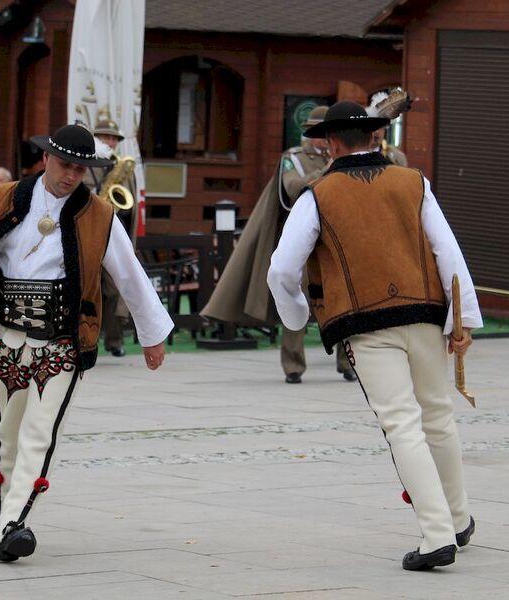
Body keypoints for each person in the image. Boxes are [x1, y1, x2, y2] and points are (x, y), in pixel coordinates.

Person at [0, 124, 173, 562]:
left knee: (38, 432)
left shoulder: (100, 215)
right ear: (47, 159)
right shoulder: (3, 197)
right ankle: (0, 520)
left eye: (81, 169)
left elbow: (129, 273)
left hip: (63, 340)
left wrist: (152, 334)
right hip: (6, 335)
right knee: (8, 432)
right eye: (66, 164)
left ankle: (15, 523)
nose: (72, 175)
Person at [267, 101, 482, 571]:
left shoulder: (317, 195)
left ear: (331, 143)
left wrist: (297, 315)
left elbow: (282, 268)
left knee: (402, 424)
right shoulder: (414, 182)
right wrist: (462, 321)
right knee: (439, 417)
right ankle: (459, 518)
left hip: (364, 324)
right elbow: (448, 250)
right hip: (425, 314)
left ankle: (436, 536)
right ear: (374, 139)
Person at [201, 106, 354, 383]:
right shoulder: (293, 159)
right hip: (304, 242)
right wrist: (326, 172)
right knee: (297, 302)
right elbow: (292, 188)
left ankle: (347, 363)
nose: (325, 139)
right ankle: (293, 366)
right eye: (321, 134)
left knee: (341, 303)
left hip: (334, 241)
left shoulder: (343, 158)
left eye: (329, 134)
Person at [82, 116, 139, 357]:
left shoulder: (122, 166)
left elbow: (130, 204)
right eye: (106, 137)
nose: (111, 141)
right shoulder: (84, 163)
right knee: (86, 288)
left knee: (115, 288)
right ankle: (84, 337)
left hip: (112, 234)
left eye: (114, 138)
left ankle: (114, 340)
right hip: (86, 233)